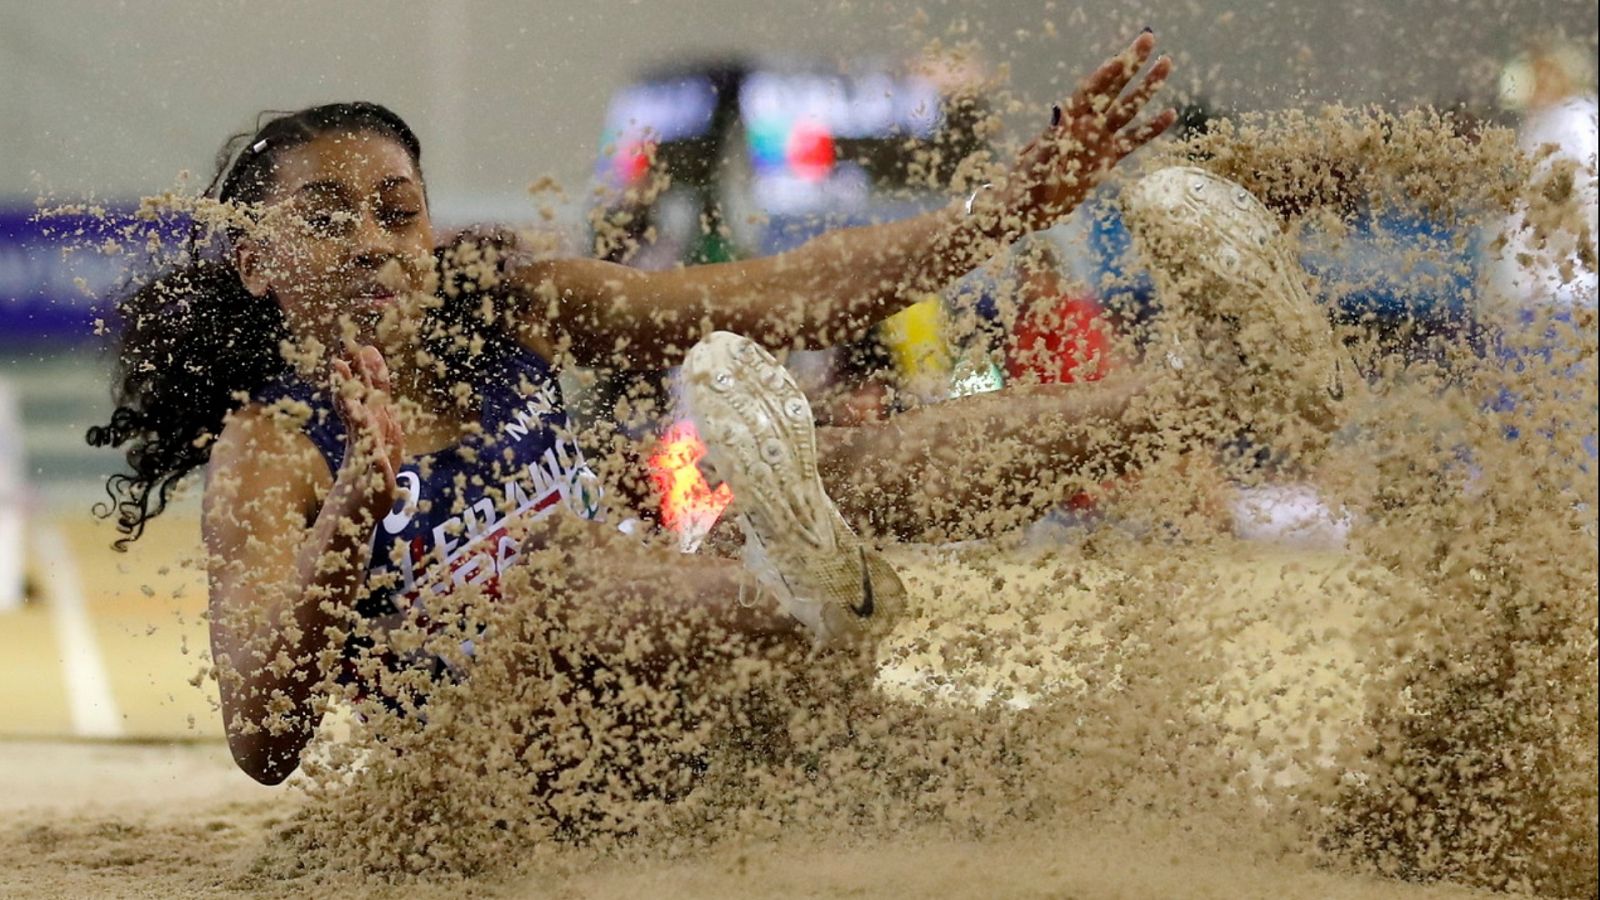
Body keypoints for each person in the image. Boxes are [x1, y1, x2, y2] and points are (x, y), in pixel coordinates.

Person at [86, 33, 1335, 786]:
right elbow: (260, 736)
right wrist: (357, 500)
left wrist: (998, 212)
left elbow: (776, 293)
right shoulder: (270, 447)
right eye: (326, 215)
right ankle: (793, 596)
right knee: (570, 578)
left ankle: (1217, 392)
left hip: (697, 685)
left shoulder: (501, 300)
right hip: (532, 772)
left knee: (835, 465)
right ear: (255, 264)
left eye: (397, 208)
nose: (375, 237)